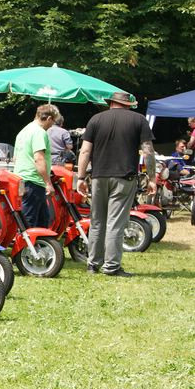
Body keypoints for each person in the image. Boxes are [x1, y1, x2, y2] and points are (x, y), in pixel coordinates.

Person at [76, 90, 155, 277]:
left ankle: (93, 264)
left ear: (111, 103)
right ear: (128, 105)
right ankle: (111, 267)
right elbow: (148, 152)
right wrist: (152, 179)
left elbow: (85, 151)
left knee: (97, 221)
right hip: (124, 177)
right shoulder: (138, 120)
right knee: (115, 223)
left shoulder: (95, 120)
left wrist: (80, 178)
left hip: (98, 177)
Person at [13, 104, 58, 228]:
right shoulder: (39, 132)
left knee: (43, 221)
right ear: (49, 118)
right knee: (30, 222)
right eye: (53, 121)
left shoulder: (24, 130)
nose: (52, 125)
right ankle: (27, 247)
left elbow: (15, 158)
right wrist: (48, 183)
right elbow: (39, 158)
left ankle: (40, 246)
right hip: (33, 181)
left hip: (22, 179)